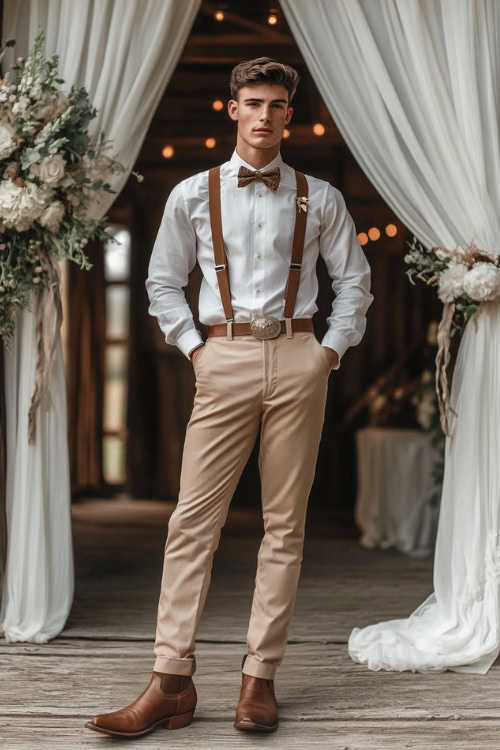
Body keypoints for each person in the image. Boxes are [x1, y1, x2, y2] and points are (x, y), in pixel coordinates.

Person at [85, 56, 373, 738]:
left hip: (300, 358)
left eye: (276, 103)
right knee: (192, 522)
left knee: (284, 526)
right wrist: (196, 349)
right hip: (224, 358)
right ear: (233, 109)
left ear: (288, 116)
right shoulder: (191, 193)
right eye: (253, 101)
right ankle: (170, 679)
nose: (265, 114)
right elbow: (161, 282)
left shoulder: (320, 197)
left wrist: (327, 352)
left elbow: (355, 282)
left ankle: (259, 679)